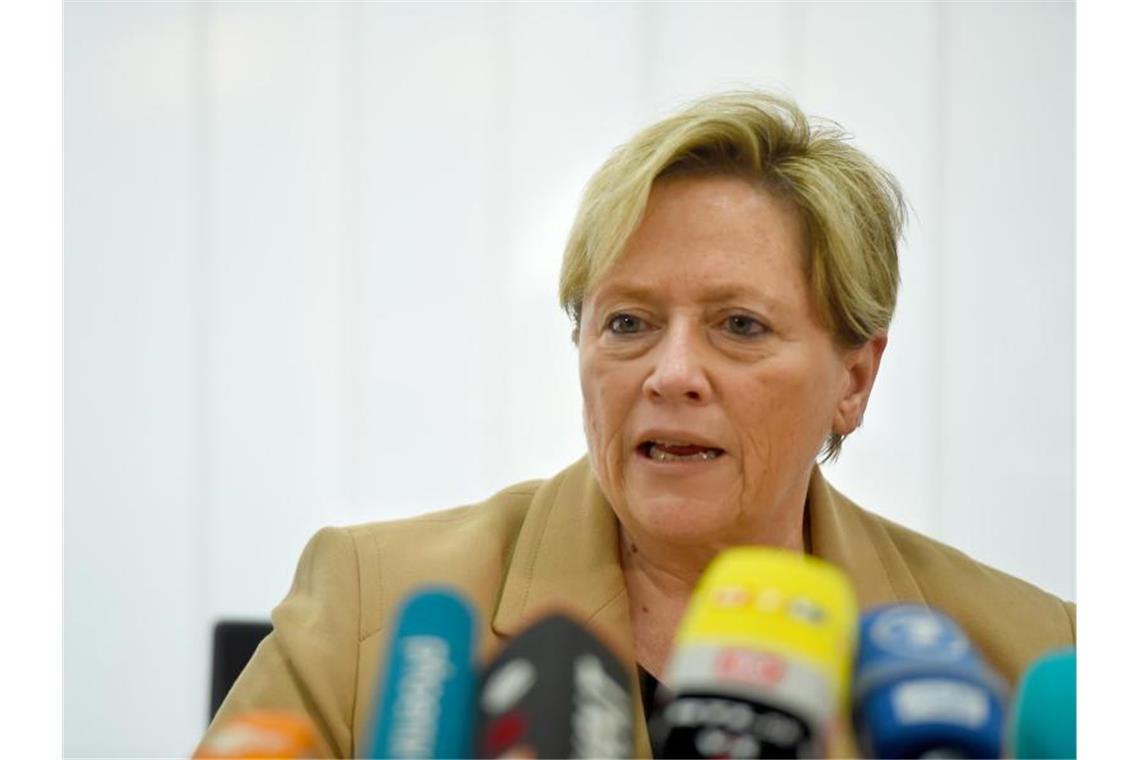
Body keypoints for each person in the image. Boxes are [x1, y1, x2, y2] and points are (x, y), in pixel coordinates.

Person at [198, 91, 1076, 758]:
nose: (672, 374)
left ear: (854, 378)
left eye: (740, 325)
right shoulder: (372, 607)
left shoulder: (1035, 659)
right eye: (628, 323)